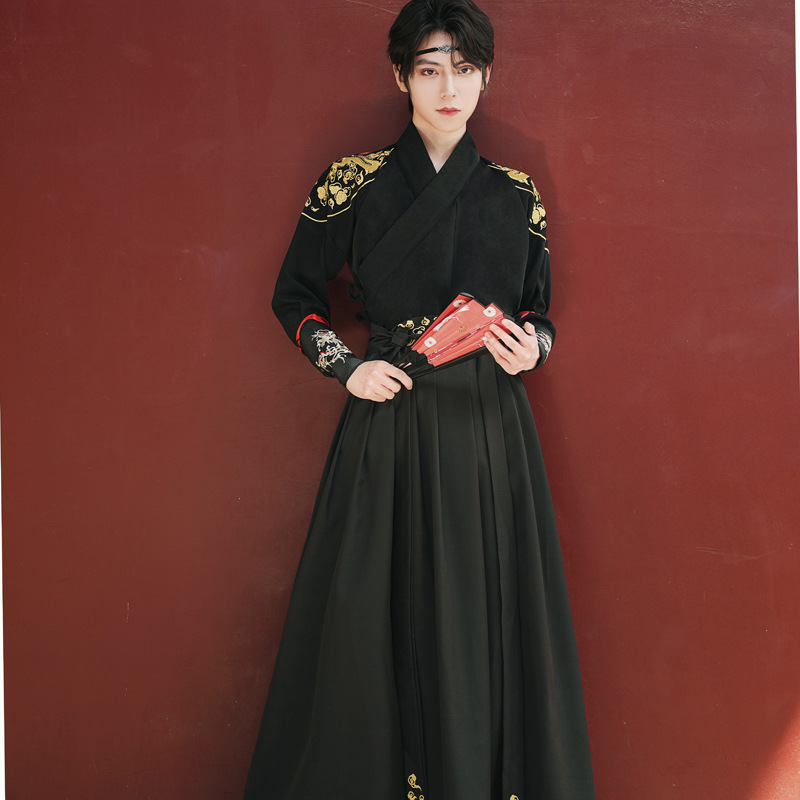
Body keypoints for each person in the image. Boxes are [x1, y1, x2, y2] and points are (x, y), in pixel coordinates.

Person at [244, 1, 596, 798]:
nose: (448, 89)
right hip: (391, 416)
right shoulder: (353, 181)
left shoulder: (515, 193)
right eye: (430, 70)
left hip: (488, 428)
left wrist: (532, 348)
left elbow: (538, 310)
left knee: (483, 614)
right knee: (374, 615)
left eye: (464, 70)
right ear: (401, 76)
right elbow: (294, 296)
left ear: (486, 77)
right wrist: (347, 368)